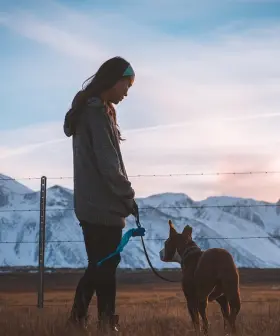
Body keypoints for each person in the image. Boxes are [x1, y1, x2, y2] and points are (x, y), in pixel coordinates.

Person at [63, 56, 139, 333]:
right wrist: (128, 196)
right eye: (126, 85)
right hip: (102, 205)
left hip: (90, 203)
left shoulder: (92, 111)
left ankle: (82, 320)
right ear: (114, 80)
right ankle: (102, 321)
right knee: (104, 266)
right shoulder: (96, 115)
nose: (127, 92)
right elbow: (109, 165)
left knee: (101, 265)